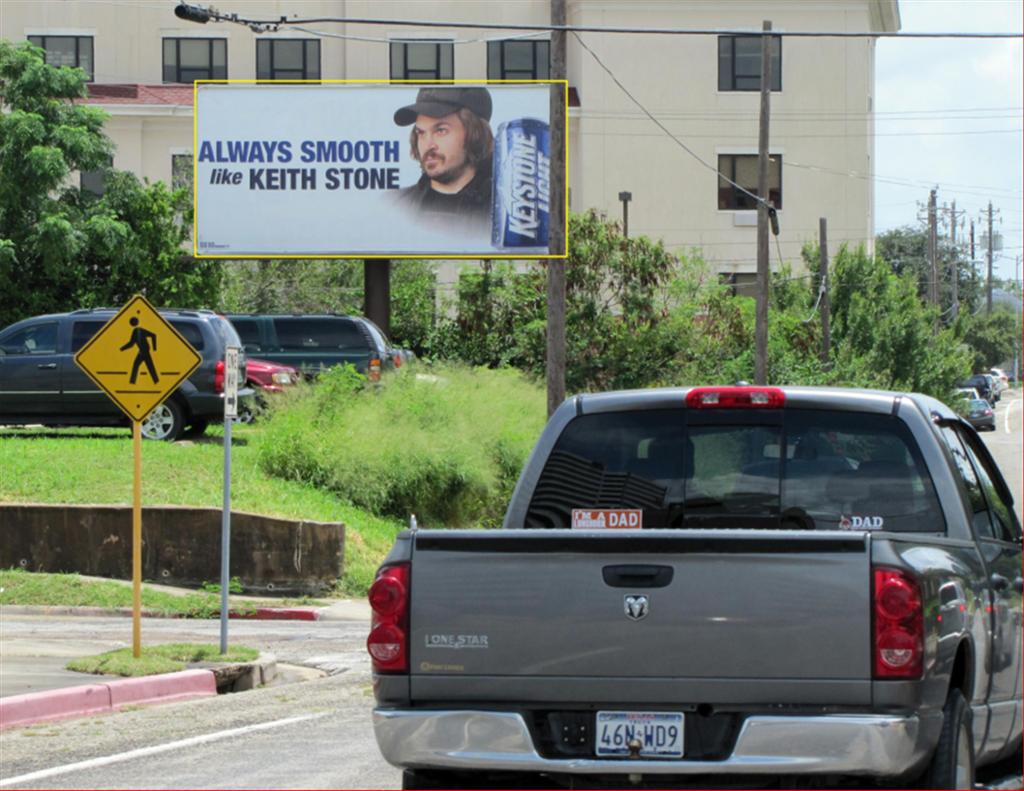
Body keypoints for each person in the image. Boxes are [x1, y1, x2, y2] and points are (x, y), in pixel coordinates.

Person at [392, 87, 494, 237]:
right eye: (421, 133)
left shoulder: (508, 212)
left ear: (476, 135)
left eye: (441, 130)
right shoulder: (395, 204)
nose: (428, 145)